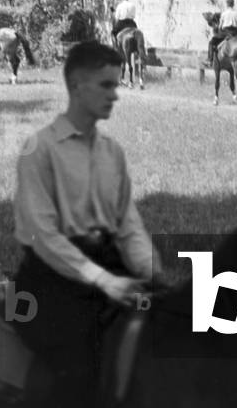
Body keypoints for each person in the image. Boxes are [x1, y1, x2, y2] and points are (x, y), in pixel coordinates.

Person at [12, 40, 161, 408]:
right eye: (106, 85)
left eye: (116, 84)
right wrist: (104, 280)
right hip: (46, 282)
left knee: (171, 331)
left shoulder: (112, 153)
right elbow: (43, 238)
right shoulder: (39, 150)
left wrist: (154, 274)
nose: (116, 95)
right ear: (77, 86)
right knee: (81, 361)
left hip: (108, 265)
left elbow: (127, 225)